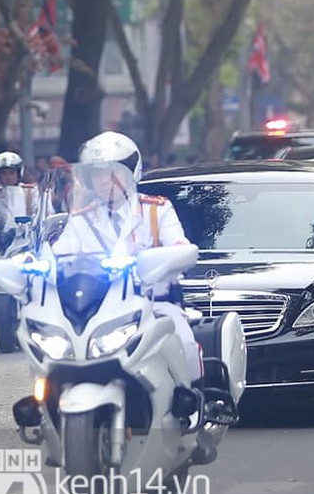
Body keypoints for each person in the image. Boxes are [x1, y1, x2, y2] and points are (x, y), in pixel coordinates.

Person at [50, 132, 207, 405]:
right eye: (97, 174)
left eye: (112, 173)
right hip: (96, 312)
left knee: (185, 344)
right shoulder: (81, 219)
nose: (104, 180)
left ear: (131, 173)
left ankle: (193, 407)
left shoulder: (157, 210)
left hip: (156, 304)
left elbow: (180, 245)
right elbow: (58, 256)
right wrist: (36, 268)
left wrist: (173, 255)